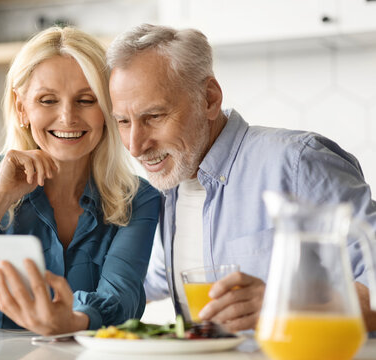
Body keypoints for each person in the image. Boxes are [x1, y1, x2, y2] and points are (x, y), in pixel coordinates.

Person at [106, 23, 376, 332]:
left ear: (209, 99)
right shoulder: (171, 185)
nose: (135, 145)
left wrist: (286, 305)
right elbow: (140, 282)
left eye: (154, 117)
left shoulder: (297, 163)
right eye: (124, 121)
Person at [0, 26, 160, 335]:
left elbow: (121, 298)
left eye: (86, 100)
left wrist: (73, 321)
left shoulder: (138, 199)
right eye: (47, 101)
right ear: (22, 108)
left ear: (108, 108)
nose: (68, 117)